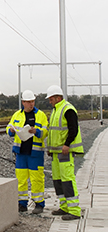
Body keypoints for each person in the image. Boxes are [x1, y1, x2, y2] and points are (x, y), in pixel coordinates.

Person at [6, 90, 48, 214]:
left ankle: (39, 204)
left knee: (37, 179)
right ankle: (22, 204)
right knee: (21, 179)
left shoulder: (40, 115)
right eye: (28, 102)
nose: (31, 104)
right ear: (23, 102)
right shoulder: (17, 115)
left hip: (35, 153)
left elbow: (45, 131)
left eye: (32, 101)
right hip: (21, 153)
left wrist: (37, 131)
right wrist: (11, 131)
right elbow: (9, 127)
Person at [46, 85, 83, 220]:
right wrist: (50, 149)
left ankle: (74, 210)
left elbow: (73, 129)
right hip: (56, 152)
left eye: (51, 99)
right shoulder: (56, 110)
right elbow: (54, 132)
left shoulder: (67, 109)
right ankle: (64, 206)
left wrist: (67, 145)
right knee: (58, 180)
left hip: (65, 152)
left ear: (57, 97)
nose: (50, 102)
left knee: (67, 179)